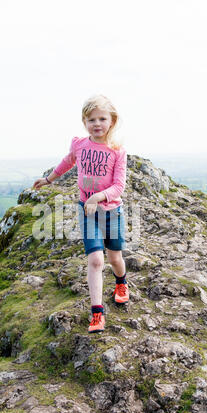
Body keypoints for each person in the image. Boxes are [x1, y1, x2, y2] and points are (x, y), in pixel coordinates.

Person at [32, 94, 129, 334]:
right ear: (84, 122)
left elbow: (119, 186)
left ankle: (121, 283)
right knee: (96, 260)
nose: (97, 124)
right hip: (87, 211)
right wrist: (48, 179)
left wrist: (98, 197)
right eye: (91, 119)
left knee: (114, 258)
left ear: (112, 121)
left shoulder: (117, 151)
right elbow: (68, 161)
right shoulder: (80, 144)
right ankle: (97, 313)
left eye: (102, 119)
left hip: (112, 212)